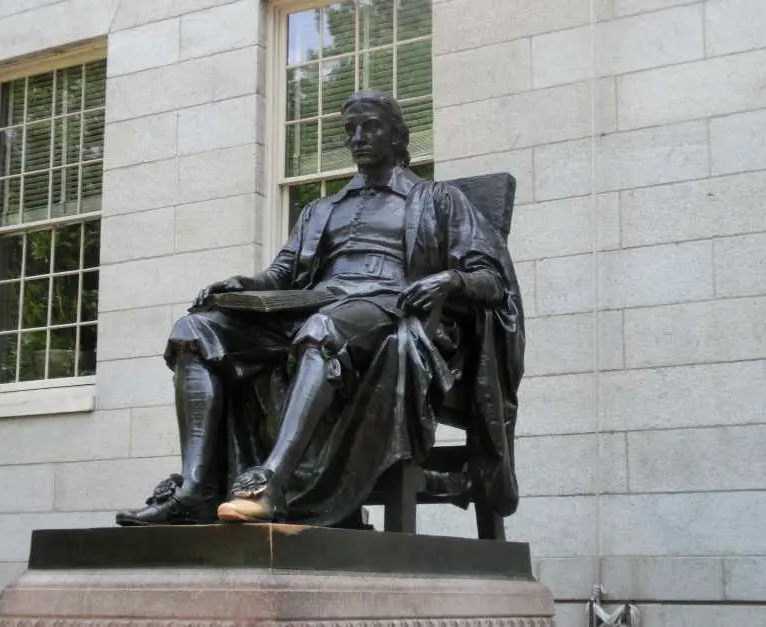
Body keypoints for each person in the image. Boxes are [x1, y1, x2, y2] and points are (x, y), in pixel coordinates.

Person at [116, 90, 525, 527]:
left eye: (370, 127)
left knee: (323, 328)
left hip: (390, 306)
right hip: (317, 302)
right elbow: (281, 275)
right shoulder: (320, 210)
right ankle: (196, 489)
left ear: (397, 135)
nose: (358, 138)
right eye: (351, 130)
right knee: (195, 330)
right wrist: (244, 284)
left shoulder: (438, 200)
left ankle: (270, 482)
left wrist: (451, 279)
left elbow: (493, 279)